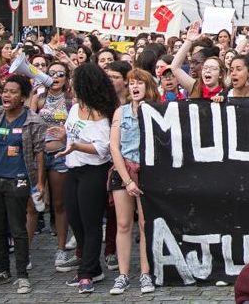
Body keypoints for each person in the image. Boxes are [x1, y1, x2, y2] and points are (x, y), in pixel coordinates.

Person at [0, 75, 46, 294]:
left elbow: (39, 153)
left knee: (18, 229)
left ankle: (22, 275)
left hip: (18, 179)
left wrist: (39, 182)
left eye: (13, 92)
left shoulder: (33, 121)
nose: (7, 95)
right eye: (5, 91)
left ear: (24, 97)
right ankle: (3, 271)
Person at [58, 63, 118, 294]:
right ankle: (92, 267)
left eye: (74, 79)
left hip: (93, 171)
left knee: (91, 223)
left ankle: (86, 274)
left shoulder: (101, 113)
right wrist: (64, 135)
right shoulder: (74, 108)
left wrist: (76, 146)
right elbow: (73, 132)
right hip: (73, 170)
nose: (70, 83)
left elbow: (103, 149)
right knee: (76, 220)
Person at [108, 69, 158, 295]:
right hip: (124, 170)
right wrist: (127, 181)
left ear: (148, 87)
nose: (135, 87)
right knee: (123, 224)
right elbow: (114, 147)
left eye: (140, 83)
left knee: (145, 225)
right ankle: (123, 274)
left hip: (149, 171)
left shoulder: (157, 110)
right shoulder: (121, 111)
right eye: (131, 83)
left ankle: (146, 273)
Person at [28, 62, 78, 272]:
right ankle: (26, 251)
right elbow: (29, 121)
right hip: (37, 155)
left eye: (60, 74)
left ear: (66, 78)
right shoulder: (38, 98)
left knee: (59, 203)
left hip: (59, 155)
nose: (55, 77)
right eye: (51, 74)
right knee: (32, 205)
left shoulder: (71, 100)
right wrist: (32, 94)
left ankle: (60, 249)